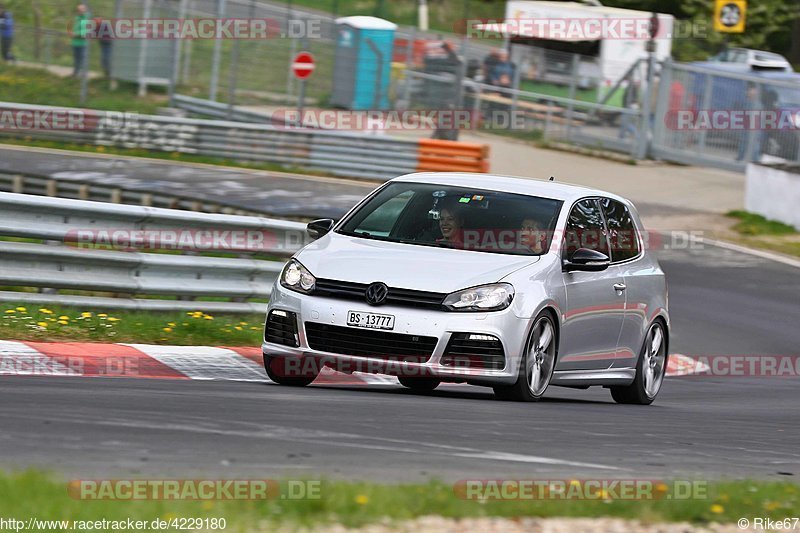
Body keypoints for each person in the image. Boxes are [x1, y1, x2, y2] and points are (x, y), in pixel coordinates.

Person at [70, 3, 91, 77]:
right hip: (75, 43)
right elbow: (75, 28)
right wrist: (72, 33)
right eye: (78, 10)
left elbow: (85, 32)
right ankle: (76, 73)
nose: (80, 11)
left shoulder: (86, 19)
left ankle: (84, 74)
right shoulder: (77, 18)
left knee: (83, 59)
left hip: (82, 43)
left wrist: (75, 34)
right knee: (76, 59)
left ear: (85, 10)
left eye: (81, 9)